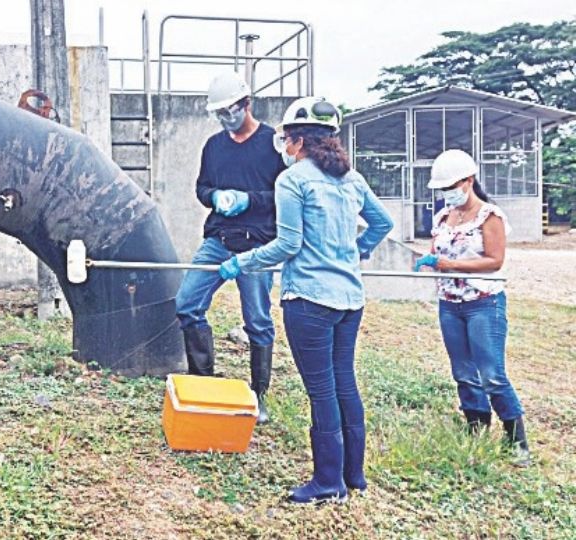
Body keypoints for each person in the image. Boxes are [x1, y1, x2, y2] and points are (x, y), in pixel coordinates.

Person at [219, 96, 394, 504]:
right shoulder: (351, 179)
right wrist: (356, 249)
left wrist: (240, 263)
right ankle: (354, 477)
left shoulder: (293, 180)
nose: (282, 146)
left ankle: (328, 482)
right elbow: (382, 223)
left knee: (322, 391)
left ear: (297, 140)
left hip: (310, 301)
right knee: (344, 383)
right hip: (350, 299)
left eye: (284, 138)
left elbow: (287, 245)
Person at [175, 72, 287, 424]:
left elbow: (284, 196)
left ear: (247, 104)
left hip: (257, 246)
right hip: (218, 240)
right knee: (187, 304)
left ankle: (260, 394)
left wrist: (248, 200)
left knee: (257, 319)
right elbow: (202, 187)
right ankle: (204, 382)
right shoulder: (214, 146)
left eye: (230, 111)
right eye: (219, 114)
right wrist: (215, 197)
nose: (226, 119)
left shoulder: (273, 145)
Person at [414, 149, 530, 466]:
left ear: (469, 181)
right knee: (463, 372)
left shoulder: (489, 216)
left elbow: (495, 260)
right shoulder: (442, 217)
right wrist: (430, 262)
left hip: (483, 303)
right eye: (442, 188)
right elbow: (436, 251)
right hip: (450, 304)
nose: (447, 193)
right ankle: (476, 427)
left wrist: (451, 264)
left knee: (491, 373)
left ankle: (516, 439)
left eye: (451, 186)